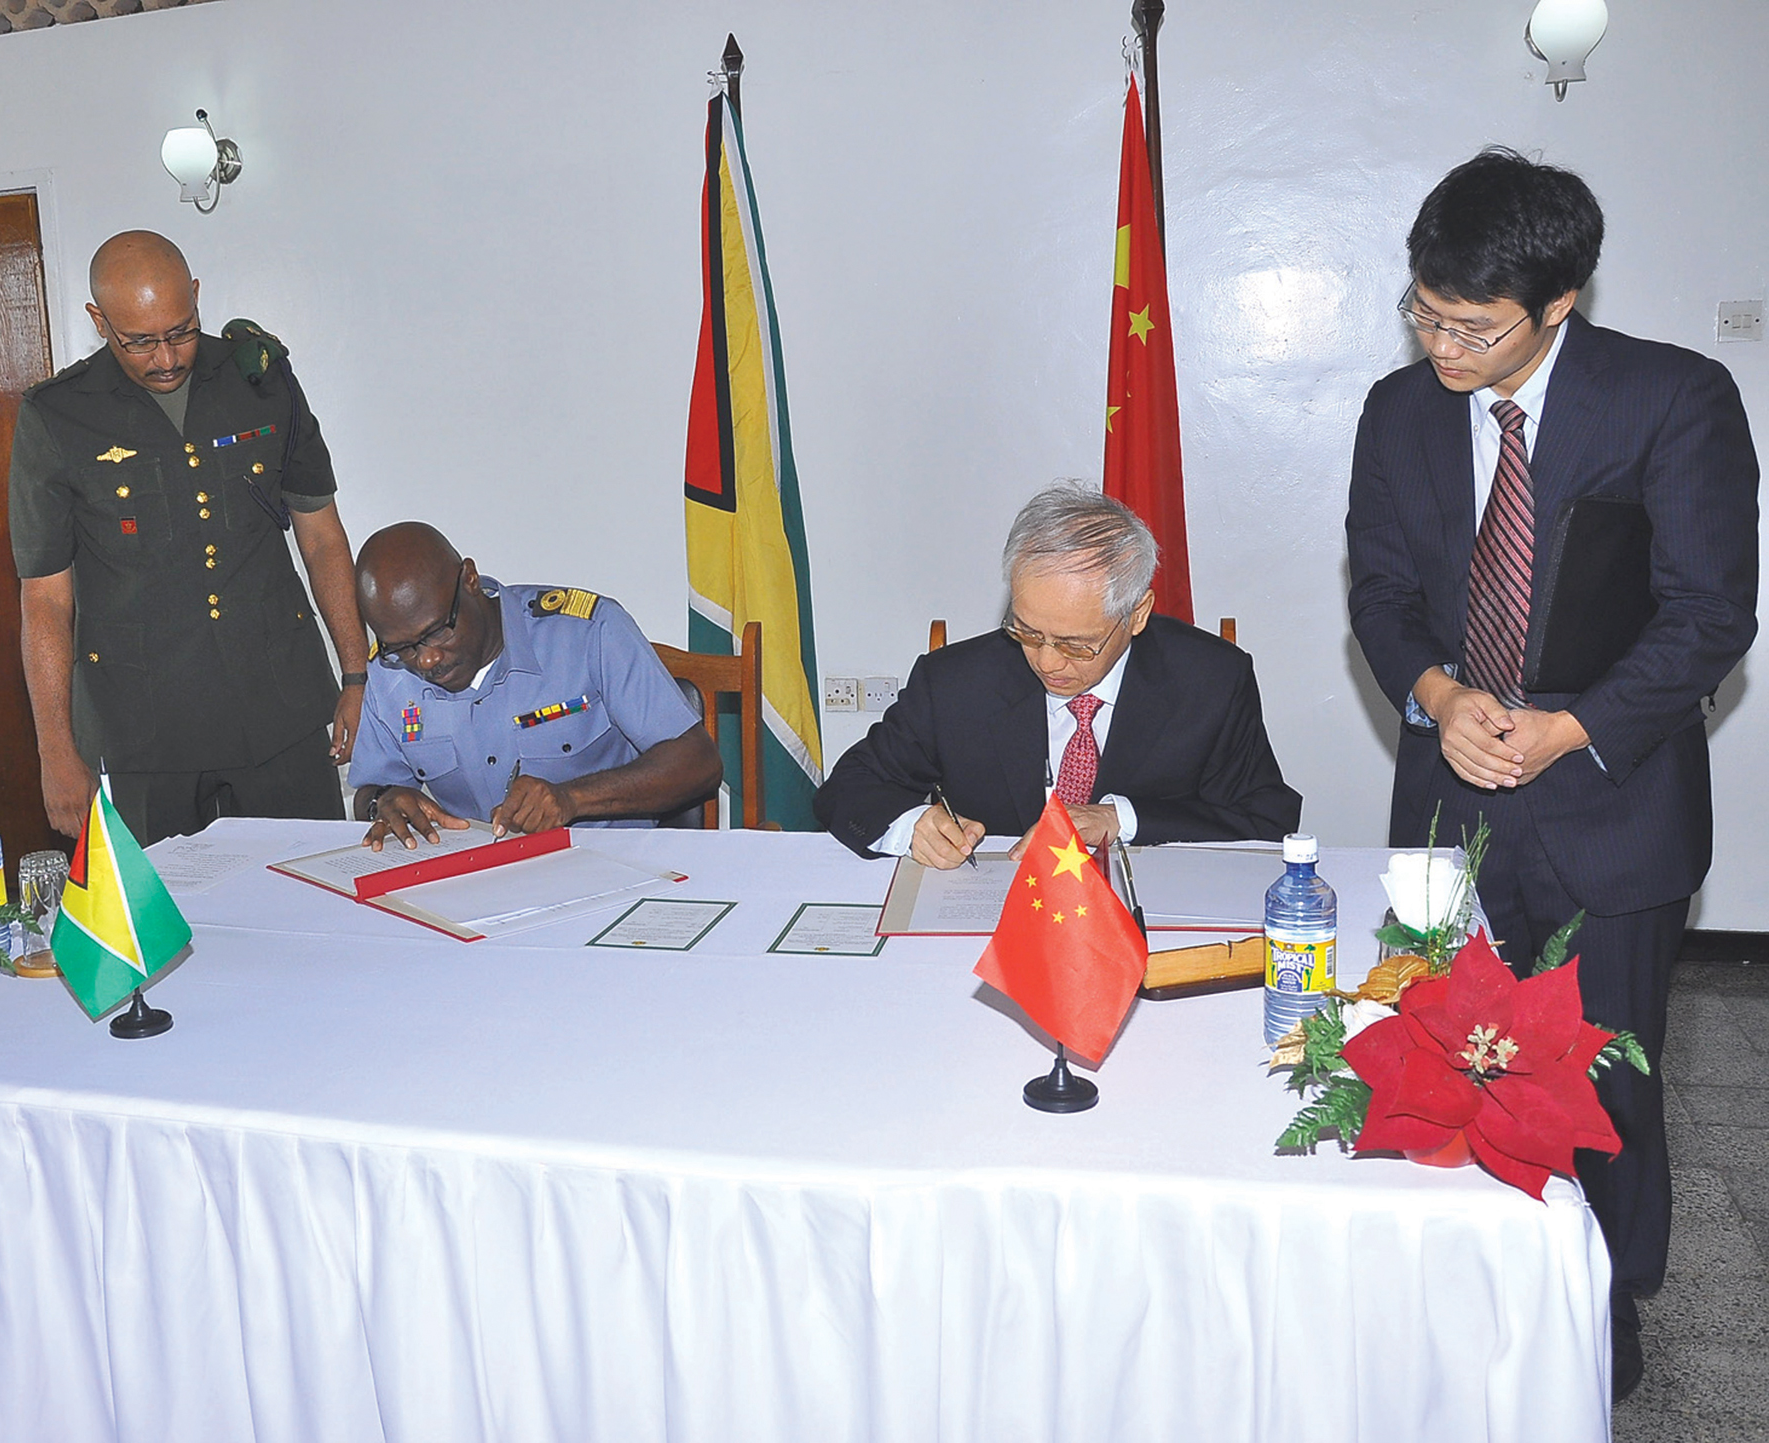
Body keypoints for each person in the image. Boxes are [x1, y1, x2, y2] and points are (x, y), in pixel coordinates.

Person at [1345, 148, 1758, 1403]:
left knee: (1605, 1080)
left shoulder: (1672, 398)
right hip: (1447, 799)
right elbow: (1381, 592)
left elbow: (1709, 615)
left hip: (1611, 809)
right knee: (1442, 1058)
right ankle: (1460, 1293)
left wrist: (1569, 728)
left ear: (1560, 302)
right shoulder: (1398, 411)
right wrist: (1437, 695)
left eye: (1472, 327)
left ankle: (1604, 1309)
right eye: (1425, 314)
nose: (1442, 346)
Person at [9, 231, 368, 848]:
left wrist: (358, 676)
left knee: (311, 889)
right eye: (140, 341)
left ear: (197, 296)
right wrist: (55, 751)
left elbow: (321, 537)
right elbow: (44, 598)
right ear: (98, 321)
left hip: (280, 709)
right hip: (146, 733)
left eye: (181, 331)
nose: (166, 358)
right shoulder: (57, 416)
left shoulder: (261, 381)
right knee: (169, 905)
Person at [815, 484, 1301, 867]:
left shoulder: (1210, 680)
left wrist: (1121, 819)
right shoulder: (955, 682)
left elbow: (1265, 819)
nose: (1047, 662)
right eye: (1027, 631)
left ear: (1136, 615)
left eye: (1075, 644)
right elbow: (849, 787)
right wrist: (911, 826)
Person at [348, 522, 722, 848]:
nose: (426, 660)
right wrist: (383, 801)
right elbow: (370, 791)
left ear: (470, 580)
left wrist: (571, 799)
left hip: (609, 868)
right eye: (403, 648)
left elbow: (700, 764)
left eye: (436, 632)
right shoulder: (388, 672)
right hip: (476, 882)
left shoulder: (588, 634)